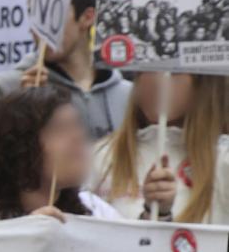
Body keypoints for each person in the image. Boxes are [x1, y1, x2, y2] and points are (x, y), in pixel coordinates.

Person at [0, 86, 121, 226]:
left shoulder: (94, 208)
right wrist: (26, 237)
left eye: (77, 125)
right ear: (18, 147)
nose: (78, 136)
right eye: (60, 129)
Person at [0, 0, 131, 140]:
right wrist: (22, 114)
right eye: (32, 14)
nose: (39, 28)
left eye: (52, 13)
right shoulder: (6, 89)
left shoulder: (128, 95)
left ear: (87, 17)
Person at [89, 72, 229, 222]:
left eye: (174, 72)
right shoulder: (101, 155)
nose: (157, 81)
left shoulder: (223, 159)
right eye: (149, 69)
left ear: (204, 84)